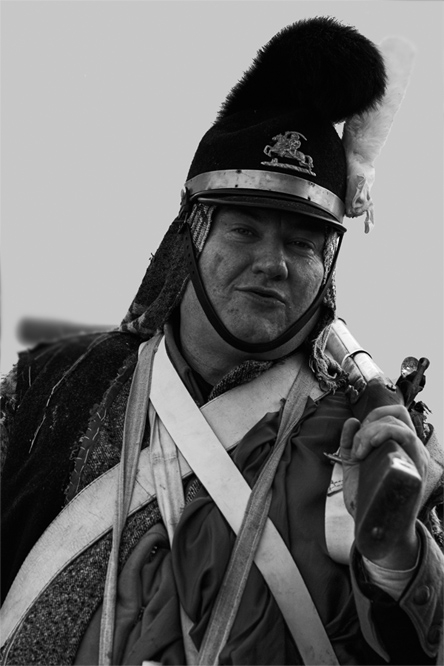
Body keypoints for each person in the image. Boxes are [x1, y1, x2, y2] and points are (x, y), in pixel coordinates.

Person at [1, 16, 443, 666]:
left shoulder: (385, 435)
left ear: (329, 264)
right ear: (192, 232)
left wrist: (397, 555)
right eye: (244, 230)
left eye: (303, 242)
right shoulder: (50, 387)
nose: (274, 263)